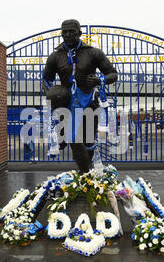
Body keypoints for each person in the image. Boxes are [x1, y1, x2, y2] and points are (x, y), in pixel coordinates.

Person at [42, 19, 118, 173]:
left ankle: (86, 174)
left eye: (72, 31)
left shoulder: (93, 52)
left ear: (79, 33)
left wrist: (100, 80)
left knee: (89, 140)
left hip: (89, 101)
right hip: (67, 103)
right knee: (73, 138)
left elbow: (113, 74)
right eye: (65, 32)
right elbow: (46, 79)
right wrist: (52, 94)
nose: (68, 35)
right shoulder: (55, 56)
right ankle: (85, 175)